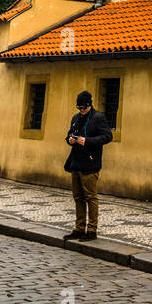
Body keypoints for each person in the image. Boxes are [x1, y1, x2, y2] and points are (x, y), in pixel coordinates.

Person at [63, 90, 113, 241]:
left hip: (90, 164)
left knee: (91, 197)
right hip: (76, 162)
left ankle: (92, 230)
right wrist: (70, 140)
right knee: (78, 197)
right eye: (79, 107)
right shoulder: (76, 118)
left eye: (84, 107)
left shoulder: (98, 118)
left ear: (89, 105)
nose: (81, 110)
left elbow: (108, 136)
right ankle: (79, 228)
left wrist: (88, 141)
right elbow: (69, 134)